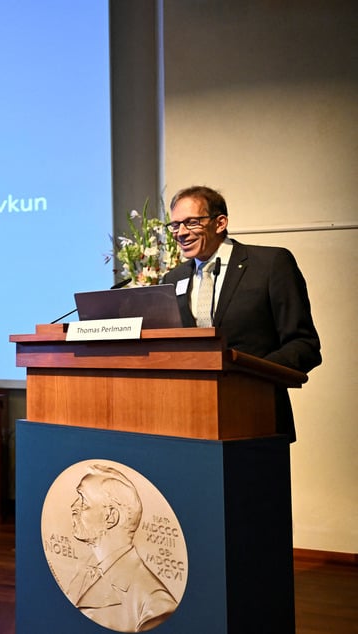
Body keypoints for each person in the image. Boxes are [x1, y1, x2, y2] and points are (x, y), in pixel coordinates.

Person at [160, 185, 321, 440]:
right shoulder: (173, 277)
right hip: (188, 422)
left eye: (191, 223)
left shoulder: (270, 264)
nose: (180, 233)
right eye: (175, 225)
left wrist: (249, 376)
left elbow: (304, 345)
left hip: (257, 417)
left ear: (220, 222)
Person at [66, 465, 177, 632]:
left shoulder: (155, 604)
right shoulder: (81, 573)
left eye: (83, 500)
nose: (73, 507)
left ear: (111, 517)